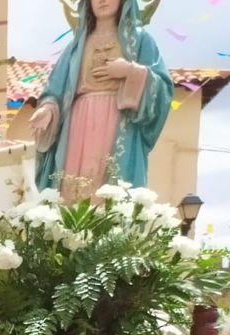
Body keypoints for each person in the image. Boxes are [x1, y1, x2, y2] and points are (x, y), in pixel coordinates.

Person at [29, 0, 172, 199]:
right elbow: (56, 90)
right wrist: (48, 109)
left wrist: (130, 71)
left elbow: (163, 90)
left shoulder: (140, 41)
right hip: (78, 127)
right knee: (73, 192)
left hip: (119, 125)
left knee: (111, 196)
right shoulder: (76, 47)